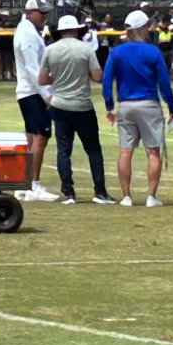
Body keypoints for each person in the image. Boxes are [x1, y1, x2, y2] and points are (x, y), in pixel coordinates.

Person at [103, 10, 173, 207]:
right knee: (153, 151)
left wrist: (109, 106)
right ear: (142, 28)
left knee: (125, 151)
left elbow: (106, 81)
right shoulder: (153, 51)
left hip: (126, 104)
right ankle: (151, 197)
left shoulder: (117, 52)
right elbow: (164, 82)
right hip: (149, 104)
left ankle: (126, 196)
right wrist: (172, 107)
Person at [38, 15, 113, 204]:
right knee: (93, 149)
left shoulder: (50, 50)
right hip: (81, 105)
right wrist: (82, 74)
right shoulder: (86, 49)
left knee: (63, 149)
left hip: (59, 104)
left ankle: (68, 192)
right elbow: (97, 76)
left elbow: (42, 80)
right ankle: (100, 191)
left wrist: (60, 79)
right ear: (77, 30)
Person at [13, 0, 60, 202]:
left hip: (28, 91)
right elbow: (34, 68)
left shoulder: (27, 31)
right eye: (42, 13)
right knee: (40, 137)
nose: (44, 17)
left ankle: (26, 184)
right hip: (33, 92)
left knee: (32, 137)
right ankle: (33, 185)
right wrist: (47, 94)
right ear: (30, 12)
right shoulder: (27, 34)